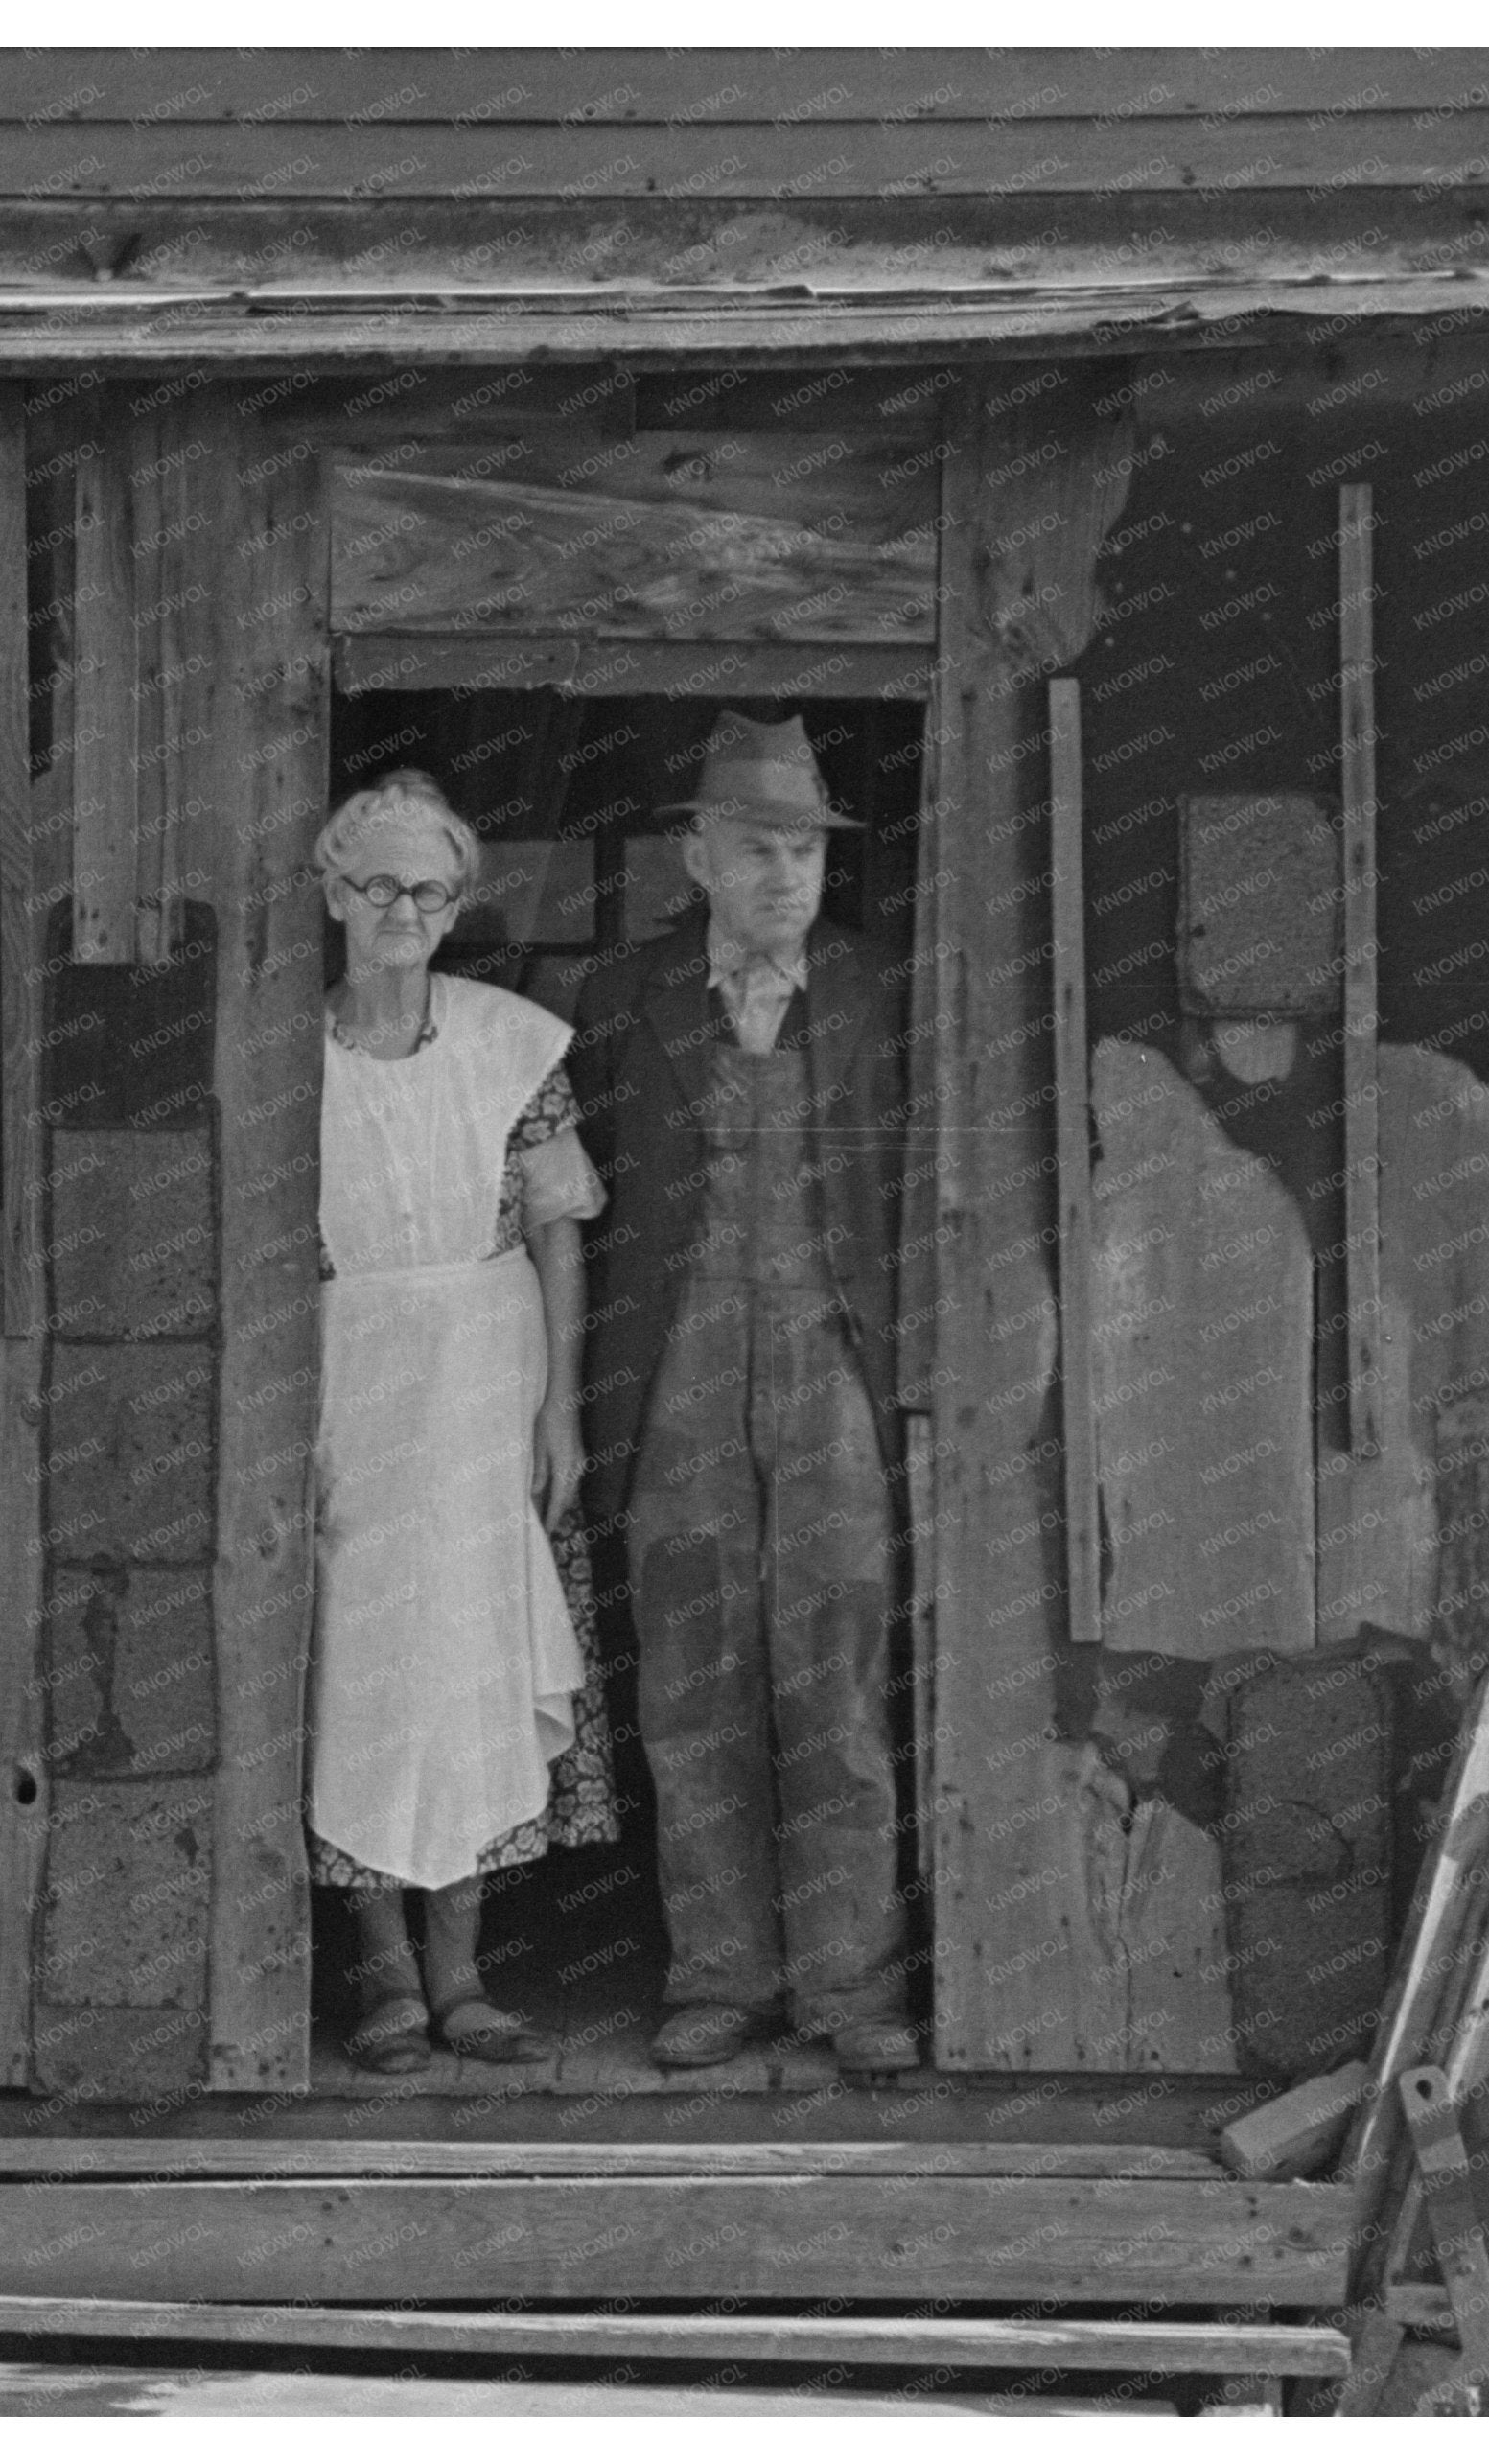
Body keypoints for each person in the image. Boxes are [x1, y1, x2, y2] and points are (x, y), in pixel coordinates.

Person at [569, 711, 920, 2075]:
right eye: (757, 849)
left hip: (831, 1357)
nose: (787, 875)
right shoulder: (623, 994)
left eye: (805, 851)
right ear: (696, 857)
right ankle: (718, 1974)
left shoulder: (878, 989)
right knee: (690, 1677)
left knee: (832, 1674)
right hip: (677, 1362)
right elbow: (576, 1203)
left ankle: (850, 1987)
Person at [304, 770, 619, 2073]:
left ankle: (465, 1973)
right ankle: (382, 1979)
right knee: (361, 1673)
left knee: (475, 1661)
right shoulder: (287, 1048)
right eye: (375, 883)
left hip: (488, 1386)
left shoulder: (511, 1042)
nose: (402, 908)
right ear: (331, 891)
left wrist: (557, 1410)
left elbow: (558, 1235)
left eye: (428, 889)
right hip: (349, 1380)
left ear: (455, 904)